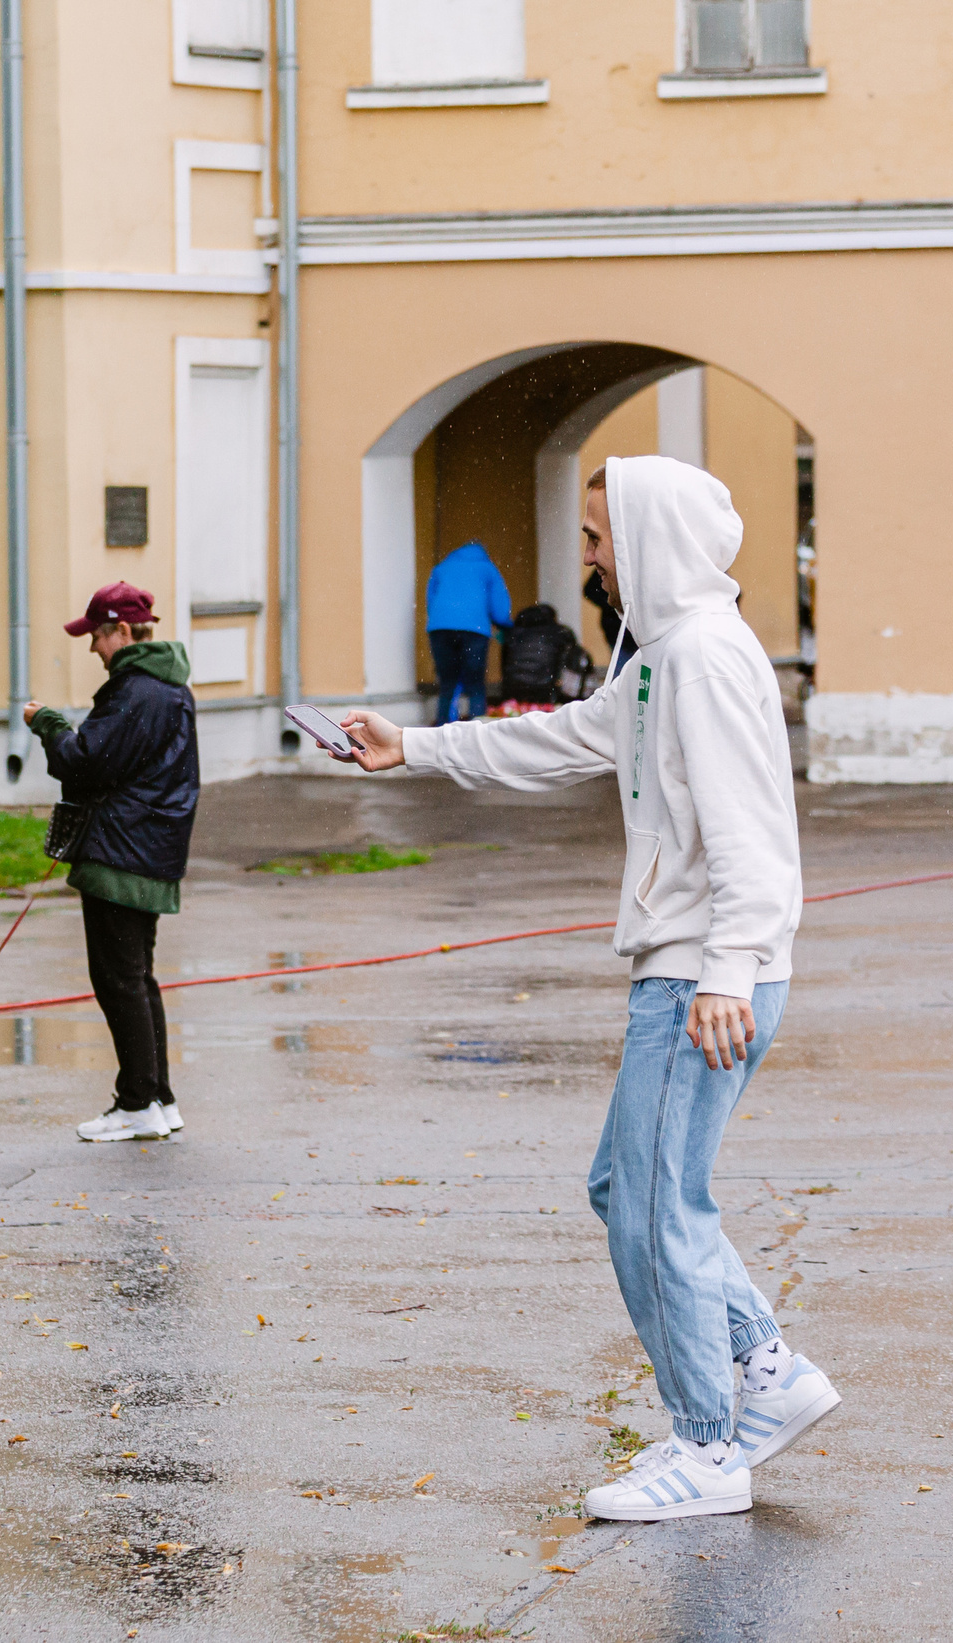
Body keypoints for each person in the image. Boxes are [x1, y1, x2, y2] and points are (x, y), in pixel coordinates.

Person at [334, 456, 833, 1523]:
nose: (591, 556)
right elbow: (563, 740)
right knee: (633, 1191)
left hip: (705, 976)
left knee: (656, 1205)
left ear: (649, 539)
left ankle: (708, 1444)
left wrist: (726, 968)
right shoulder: (659, 657)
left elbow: (751, 829)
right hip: (693, 967)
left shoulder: (700, 656)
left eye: (602, 537)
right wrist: (414, 746)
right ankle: (768, 1373)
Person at [22, 582, 198, 1144]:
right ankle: (159, 1098)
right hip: (148, 846)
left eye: (97, 636)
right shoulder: (168, 688)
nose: (93, 649)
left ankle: (136, 1103)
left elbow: (84, 762)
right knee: (136, 978)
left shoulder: (135, 692)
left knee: (118, 979)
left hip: (123, 850)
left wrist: (48, 723)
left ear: (123, 632)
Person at [425, 539, 513, 721]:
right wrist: (505, 624)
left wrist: (443, 620)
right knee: (475, 683)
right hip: (475, 630)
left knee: (447, 683)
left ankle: (442, 728)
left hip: (440, 628)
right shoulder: (486, 568)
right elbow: (499, 606)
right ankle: (477, 725)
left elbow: (431, 600)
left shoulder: (443, 567)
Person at [499, 601, 587, 708]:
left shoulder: (513, 634)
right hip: (548, 687)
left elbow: (505, 661)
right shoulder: (560, 632)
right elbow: (574, 656)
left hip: (514, 687)